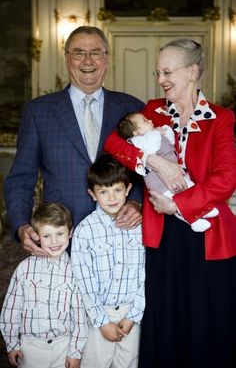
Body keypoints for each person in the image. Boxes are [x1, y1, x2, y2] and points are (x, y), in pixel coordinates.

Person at [104, 38, 236, 368]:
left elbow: (226, 179)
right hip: (162, 236)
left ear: (193, 71)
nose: (161, 79)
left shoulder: (221, 119)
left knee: (207, 320)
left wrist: (179, 205)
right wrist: (156, 161)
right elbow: (112, 143)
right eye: (158, 72)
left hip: (208, 235)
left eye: (168, 71)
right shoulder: (152, 111)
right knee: (166, 318)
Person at [3, 26, 145, 257]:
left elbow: (144, 171)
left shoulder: (132, 108)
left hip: (121, 235)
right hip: (60, 237)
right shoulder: (39, 111)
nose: (87, 60)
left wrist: (136, 203)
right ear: (67, 59)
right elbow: (21, 178)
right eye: (79, 52)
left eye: (96, 52)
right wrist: (21, 226)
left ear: (107, 59)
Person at [71, 153, 145, 368]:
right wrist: (102, 322)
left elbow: (144, 273)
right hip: (98, 314)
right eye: (103, 192)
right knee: (95, 363)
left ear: (128, 190)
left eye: (118, 190)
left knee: (129, 363)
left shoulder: (138, 227)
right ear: (92, 194)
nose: (112, 198)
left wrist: (134, 315)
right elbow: (84, 281)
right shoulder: (85, 231)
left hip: (131, 313)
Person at [0, 202, 88, 368]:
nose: (54, 241)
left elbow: (79, 317)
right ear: (36, 236)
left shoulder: (76, 271)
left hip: (63, 346)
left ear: (71, 232)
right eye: (46, 236)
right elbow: (12, 309)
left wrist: (75, 352)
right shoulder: (24, 269)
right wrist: (12, 344)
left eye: (60, 233)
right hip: (30, 348)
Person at [117, 111, 219, 232]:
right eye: (145, 121)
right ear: (136, 132)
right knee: (177, 200)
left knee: (190, 190)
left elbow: (170, 142)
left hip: (172, 177)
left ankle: (203, 209)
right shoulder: (140, 140)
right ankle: (194, 220)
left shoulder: (151, 135)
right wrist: (157, 133)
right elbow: (151, 147)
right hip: (160, 184)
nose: (150, 121)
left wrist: (165, 132)